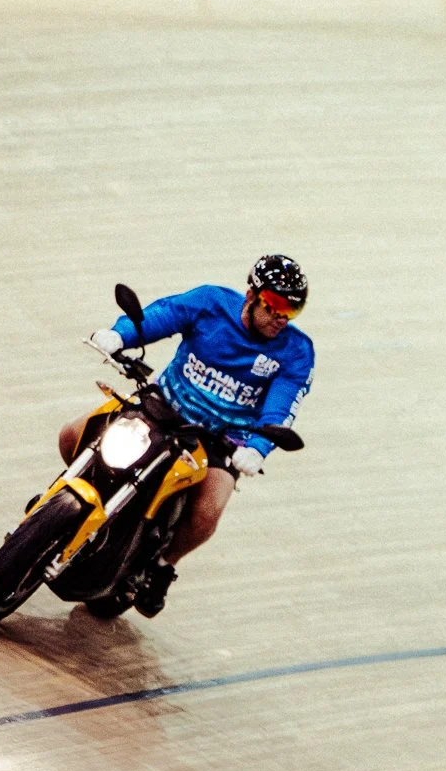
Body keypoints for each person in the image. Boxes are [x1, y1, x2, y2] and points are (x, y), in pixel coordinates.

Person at [71, 255, 313, 616]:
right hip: (164, 408)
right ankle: (56, 512)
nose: (282, 319)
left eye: (292, 311)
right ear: (252, 294)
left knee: (207, 511)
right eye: (275, 307)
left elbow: (280, 408)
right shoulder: (210, 303)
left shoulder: (295, 352)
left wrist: (258, 447)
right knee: (72, 435)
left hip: (221, 440)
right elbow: (162, 316)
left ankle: (162, 566)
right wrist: (120, 334)